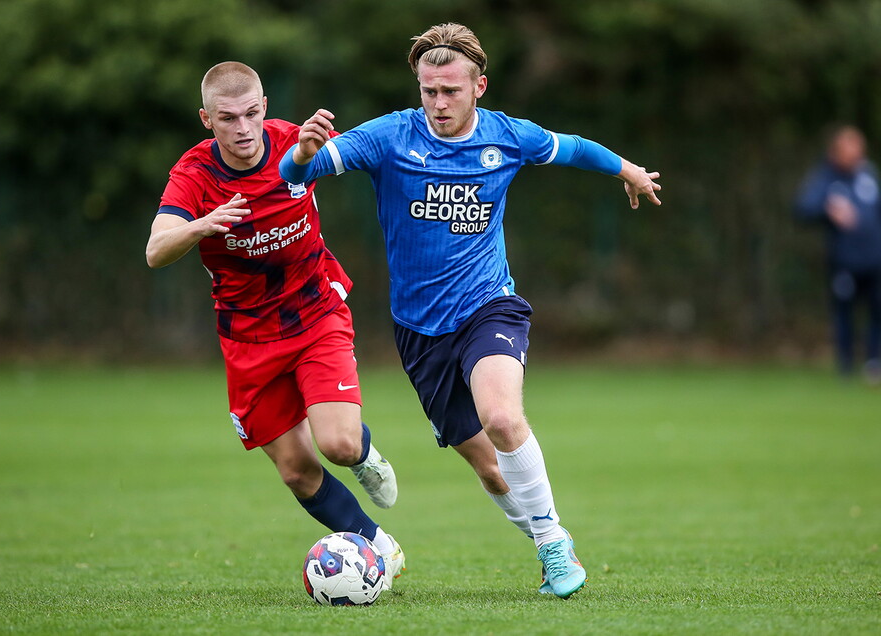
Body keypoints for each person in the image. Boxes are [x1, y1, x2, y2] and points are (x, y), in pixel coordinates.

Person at [280, 23, 661, 598]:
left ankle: (555, 545)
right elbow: (298, 174)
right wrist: (303, 154)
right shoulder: (389, 137)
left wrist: (626, 169)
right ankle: (543, 541)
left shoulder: (509, 137)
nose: (438, 103)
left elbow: (572, 146)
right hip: (419, 332)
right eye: (429, 91)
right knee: (489, 467)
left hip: (489, 307)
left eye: (451, 91)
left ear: (478, 86)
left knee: (504, 418)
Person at [145, 61, 405, 586]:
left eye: (251, 114)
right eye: (227, 118)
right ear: (206, 119)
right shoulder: (194, 174)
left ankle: (361, 448)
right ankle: (380, 549)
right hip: (247, 337)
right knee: (297, 470)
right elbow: (155, 250)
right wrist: (200, 225)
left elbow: (365, 154)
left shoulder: (294, 142)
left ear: (264, 108)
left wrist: (312, 153)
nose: (242, 129)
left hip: (315, 312)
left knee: (337, 444)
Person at [796, 125, 881, 382]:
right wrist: (827, 209)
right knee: (845, 315)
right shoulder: (825, 179)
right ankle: (845, 367)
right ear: (836, 151)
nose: (855, 153)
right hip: (844, 263)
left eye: (858, 147)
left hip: (875, 261)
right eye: (849, 147)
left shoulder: (868, 175)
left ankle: (873, 362)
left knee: (877, 311)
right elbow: (802, 209)